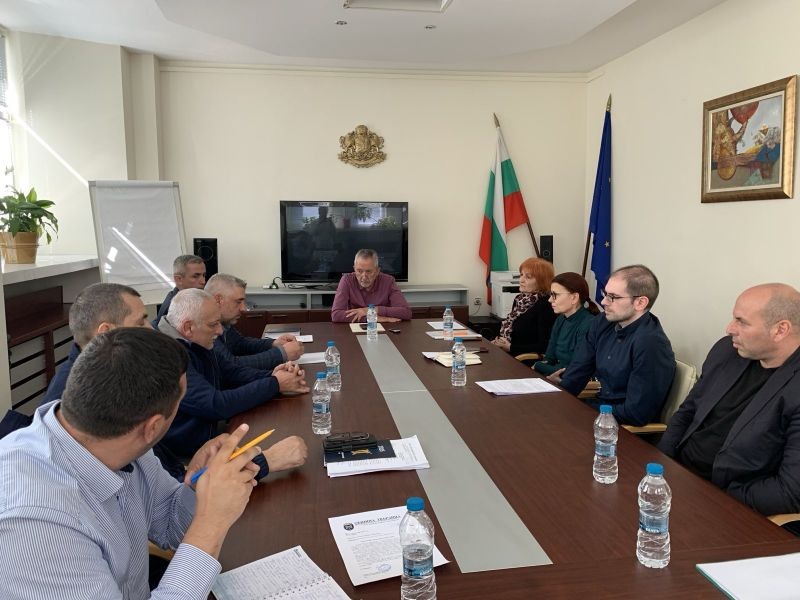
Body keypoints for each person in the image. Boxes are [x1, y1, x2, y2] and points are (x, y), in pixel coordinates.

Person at [0, 327, 261, 599]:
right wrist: (212, 522)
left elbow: (170, 525)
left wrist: (202, 484)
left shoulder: (121, 439)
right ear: (153, 428)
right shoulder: (34, 524)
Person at [659, 284, 800, 516]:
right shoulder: (727, 351)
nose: (729, 329)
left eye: (741, 321)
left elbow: (789, 492)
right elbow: (688, 411)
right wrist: (661, 463)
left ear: (780, 330)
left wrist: (716, 497)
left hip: (726, 503)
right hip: (676, 475)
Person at [156, 288, 308, 480]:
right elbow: (215, 404)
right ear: (188, 327)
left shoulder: (195, 338)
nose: (220, 331)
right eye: (214, 324)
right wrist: (274, 384)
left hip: (213, 435)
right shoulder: (167, 356)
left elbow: (232, 372)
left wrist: (274, 375)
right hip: (190, 456)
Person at [560, 264, 675, 426]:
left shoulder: (651, 343)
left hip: (623, 428)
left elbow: (636, 413)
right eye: (605, 294)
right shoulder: (603, 321)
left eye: (613, 297)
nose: (603, 302)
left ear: (640, 303)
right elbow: (578, 371)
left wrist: (583, 410)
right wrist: (559, 399)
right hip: (599, 412)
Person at [42, 282, 152, 405]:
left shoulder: (117, 365)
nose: (151, 329)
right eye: (141, 323)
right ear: (106, 332)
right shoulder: (75, 399)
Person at [205, 273, 304, 370]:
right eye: (238, 302)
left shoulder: (224, 322)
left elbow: (240, 343)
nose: (243, 308)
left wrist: (273, 343)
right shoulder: (205, 328)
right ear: (218, 300)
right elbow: (230, 365)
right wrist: (281, 354)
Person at [533, 272, 599, 379]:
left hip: (572, 383)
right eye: (551, 294)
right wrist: (543, 367)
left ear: (574, 298)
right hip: (555, 377)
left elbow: (575, 370)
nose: (550, 300)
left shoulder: (589, 324)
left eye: (555, 295)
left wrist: (538, 366)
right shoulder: (561, 319)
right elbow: (549, 358)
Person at [492, 257, 556, 356]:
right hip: (509, 354)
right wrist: (499, 341)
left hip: (525, 359)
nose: (521, 280)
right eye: (521, 275)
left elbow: (544, 346)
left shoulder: (546, 304)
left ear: (542, 281)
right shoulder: (519, 299)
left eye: (528, 277)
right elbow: (512, 330)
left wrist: (510, 347)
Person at [330, 248, 412, 323]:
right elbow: (336, 315)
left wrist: (370, 310)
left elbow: (406, 312)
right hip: (355, 328)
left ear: (377, 271)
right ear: (354, 269)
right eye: (359, 271)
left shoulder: (388, 281)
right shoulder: (346, 280)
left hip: (383, 329)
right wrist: (373, 318)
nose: (364, 276)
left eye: (368, 271)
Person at [153, 254, 207, 325]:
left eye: (204, 275)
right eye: (195, 276)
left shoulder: (188, 299)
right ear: (178, 279)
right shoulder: (175, 308)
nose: (203, 281)